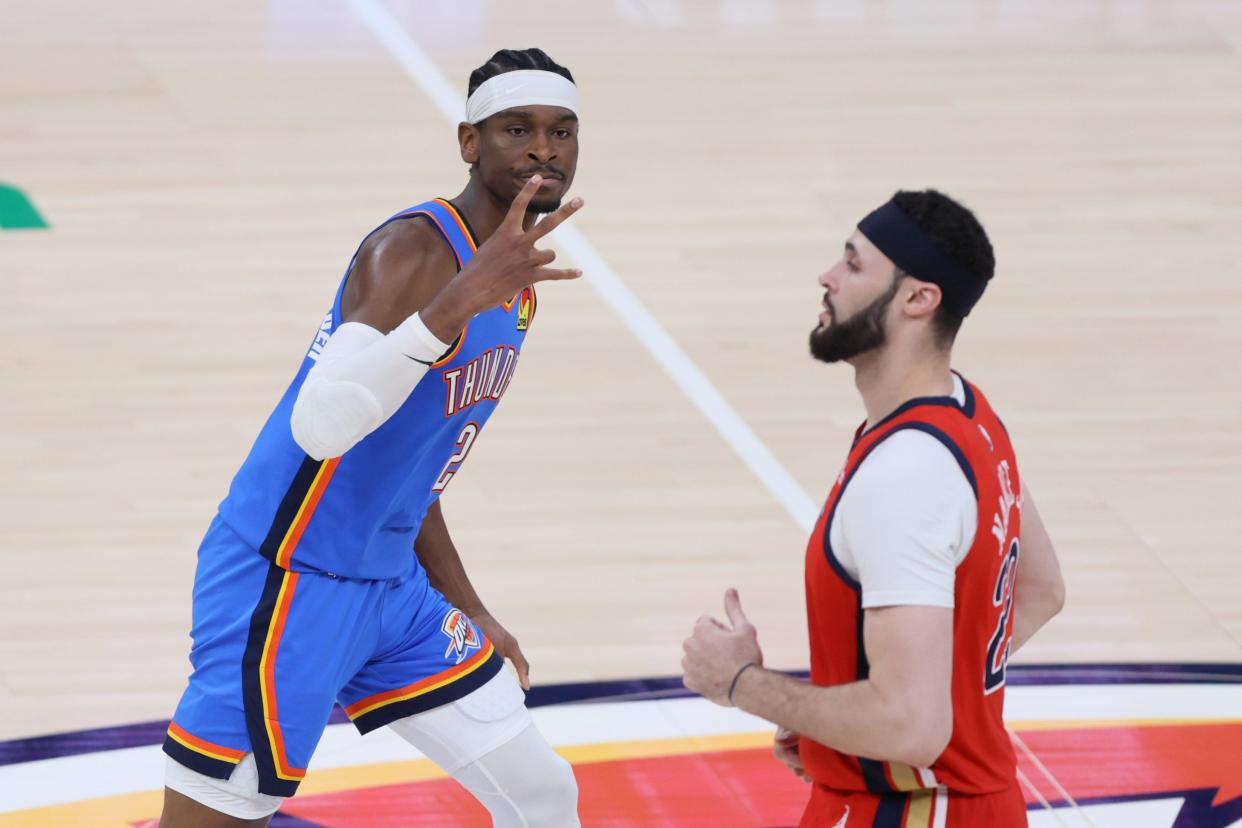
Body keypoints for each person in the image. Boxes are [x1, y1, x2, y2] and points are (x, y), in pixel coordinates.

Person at [161, 48, 586, 827]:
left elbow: (413, 471)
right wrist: (456, 303)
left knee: (543, 794)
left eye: (562, 132)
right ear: (469, 142)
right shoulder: (416, 252)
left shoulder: (515, 285)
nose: (542, 149)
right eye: (516, 129)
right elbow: (321, 425)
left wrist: (471, 607)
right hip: (289, 579)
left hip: (392, 589)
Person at [681, 190, 1066, 827]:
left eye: (855, 266)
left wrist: (741, 682)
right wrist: (839, 726)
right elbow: (1041, 592)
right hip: (970, 804)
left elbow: (910, 728)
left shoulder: (906, 476)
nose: (827, 278)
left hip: (914, 812)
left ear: (918, 298)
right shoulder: (973, 414)